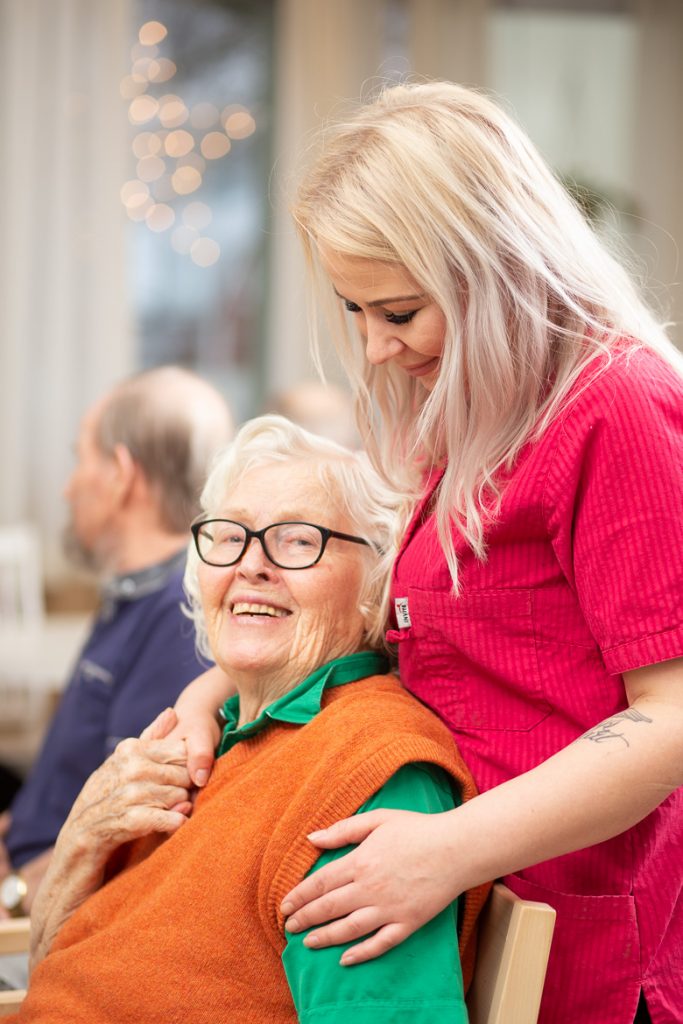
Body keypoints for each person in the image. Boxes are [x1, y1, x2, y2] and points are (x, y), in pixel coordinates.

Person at [171, 83, 683, 1024]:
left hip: (580, 945)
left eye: (399, 312)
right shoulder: (470, 424)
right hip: (459, 914)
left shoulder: (617, 408)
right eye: (354, 310)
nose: (371, 347)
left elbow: (672, 716)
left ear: (492, 270)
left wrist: (449, 850)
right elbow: (425, 649)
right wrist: (214, 691)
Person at [6, 416, 489, 1024]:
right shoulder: (205, 741)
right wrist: (81, 839)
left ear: (377, 581)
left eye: (296, 539)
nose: (250, 566)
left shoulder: (370, 771)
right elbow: (64, 978)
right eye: (230, 536)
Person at [0, 366, 233, 919]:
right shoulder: (135, 594)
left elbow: (122, 851)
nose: (68, 486)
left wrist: (11, 893)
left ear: (121, 474)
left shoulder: (182, 617)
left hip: (42, 918)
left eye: (81, 459)